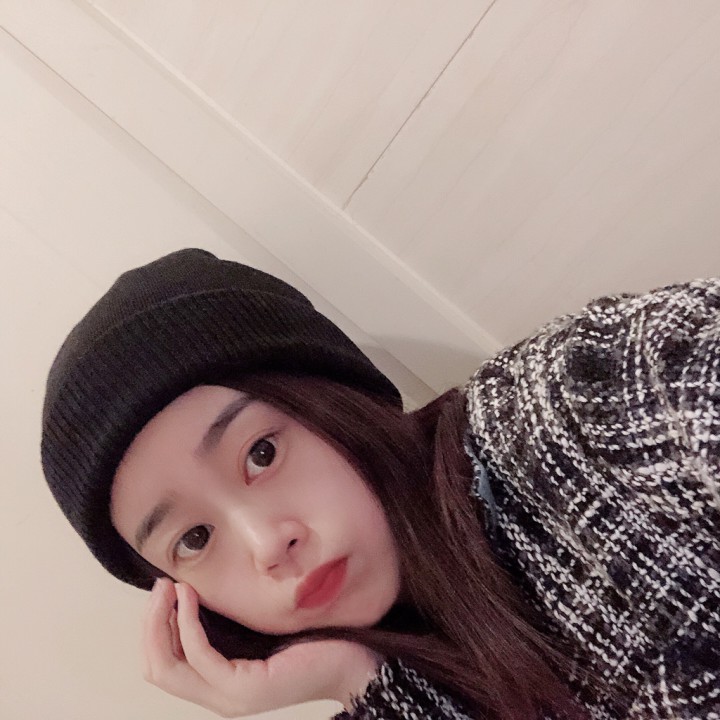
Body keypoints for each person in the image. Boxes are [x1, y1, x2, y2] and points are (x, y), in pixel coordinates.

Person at [41, 248, 720, 720]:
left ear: (335, 398)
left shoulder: (571, 407)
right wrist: (359, 682)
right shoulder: (383, 694)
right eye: (193, 539)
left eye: (262, 452)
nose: (268, 545)